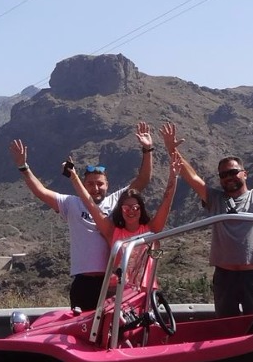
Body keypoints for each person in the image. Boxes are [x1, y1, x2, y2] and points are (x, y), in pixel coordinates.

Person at [162, 118, 253, 317]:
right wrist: (171, 150)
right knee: (225, 325)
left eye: (233, 172)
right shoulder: (214, 199)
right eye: (223, 174)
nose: (228, 177)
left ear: (244, 174)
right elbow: (192, 177)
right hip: (224, 276)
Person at [9, 123, 155, 310]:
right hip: (83, 284)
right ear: (83, 185)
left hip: (113, 282)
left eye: (100, 184)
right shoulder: (71, 203)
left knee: (113, 333)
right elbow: (41, 192)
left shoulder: (118, 200)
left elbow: (143, 180)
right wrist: (23, 166)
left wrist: (147, 149)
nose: (95, 188)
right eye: (91, 184)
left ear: (107, 184)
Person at [67, 148, 180, 287]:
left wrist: (173, 178)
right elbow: (90, 205)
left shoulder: (151, 229)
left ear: (141, 209)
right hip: (117, 293)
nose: (131, 211)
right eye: (126, 208)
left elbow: (166, 203)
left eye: (135, 208)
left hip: (144, 293)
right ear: (121, 210)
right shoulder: (112, 232)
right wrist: (74, 178)